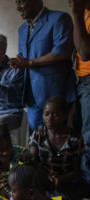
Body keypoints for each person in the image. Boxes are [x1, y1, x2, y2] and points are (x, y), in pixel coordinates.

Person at [9, 0, 76, 132]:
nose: (18, 8)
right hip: (32, 96)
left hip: (56, 94)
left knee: (59, 139)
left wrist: (29, 63)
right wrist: (17, 62)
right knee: (36, 139)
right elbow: (23, 57)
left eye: (21, 2)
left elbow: (62, 52)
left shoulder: (59, 19)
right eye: (16, 3)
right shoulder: (22, 29)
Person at [29, 96, 84, 199]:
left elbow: (76, 172)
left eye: (56, 115)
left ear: (65, 116)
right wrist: (45, 176)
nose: (50, 118)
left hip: (66, 183)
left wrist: (60, 179)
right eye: (47, 114)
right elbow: (32, 161)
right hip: (42, 180)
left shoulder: (74, 139)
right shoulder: (38, 134)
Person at [68, 0, 90, 184]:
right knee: (81, 135)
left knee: (89, 137)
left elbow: (85, 52)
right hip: (82, 81)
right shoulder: (85, 15)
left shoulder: (80, 13)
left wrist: (76, 13)